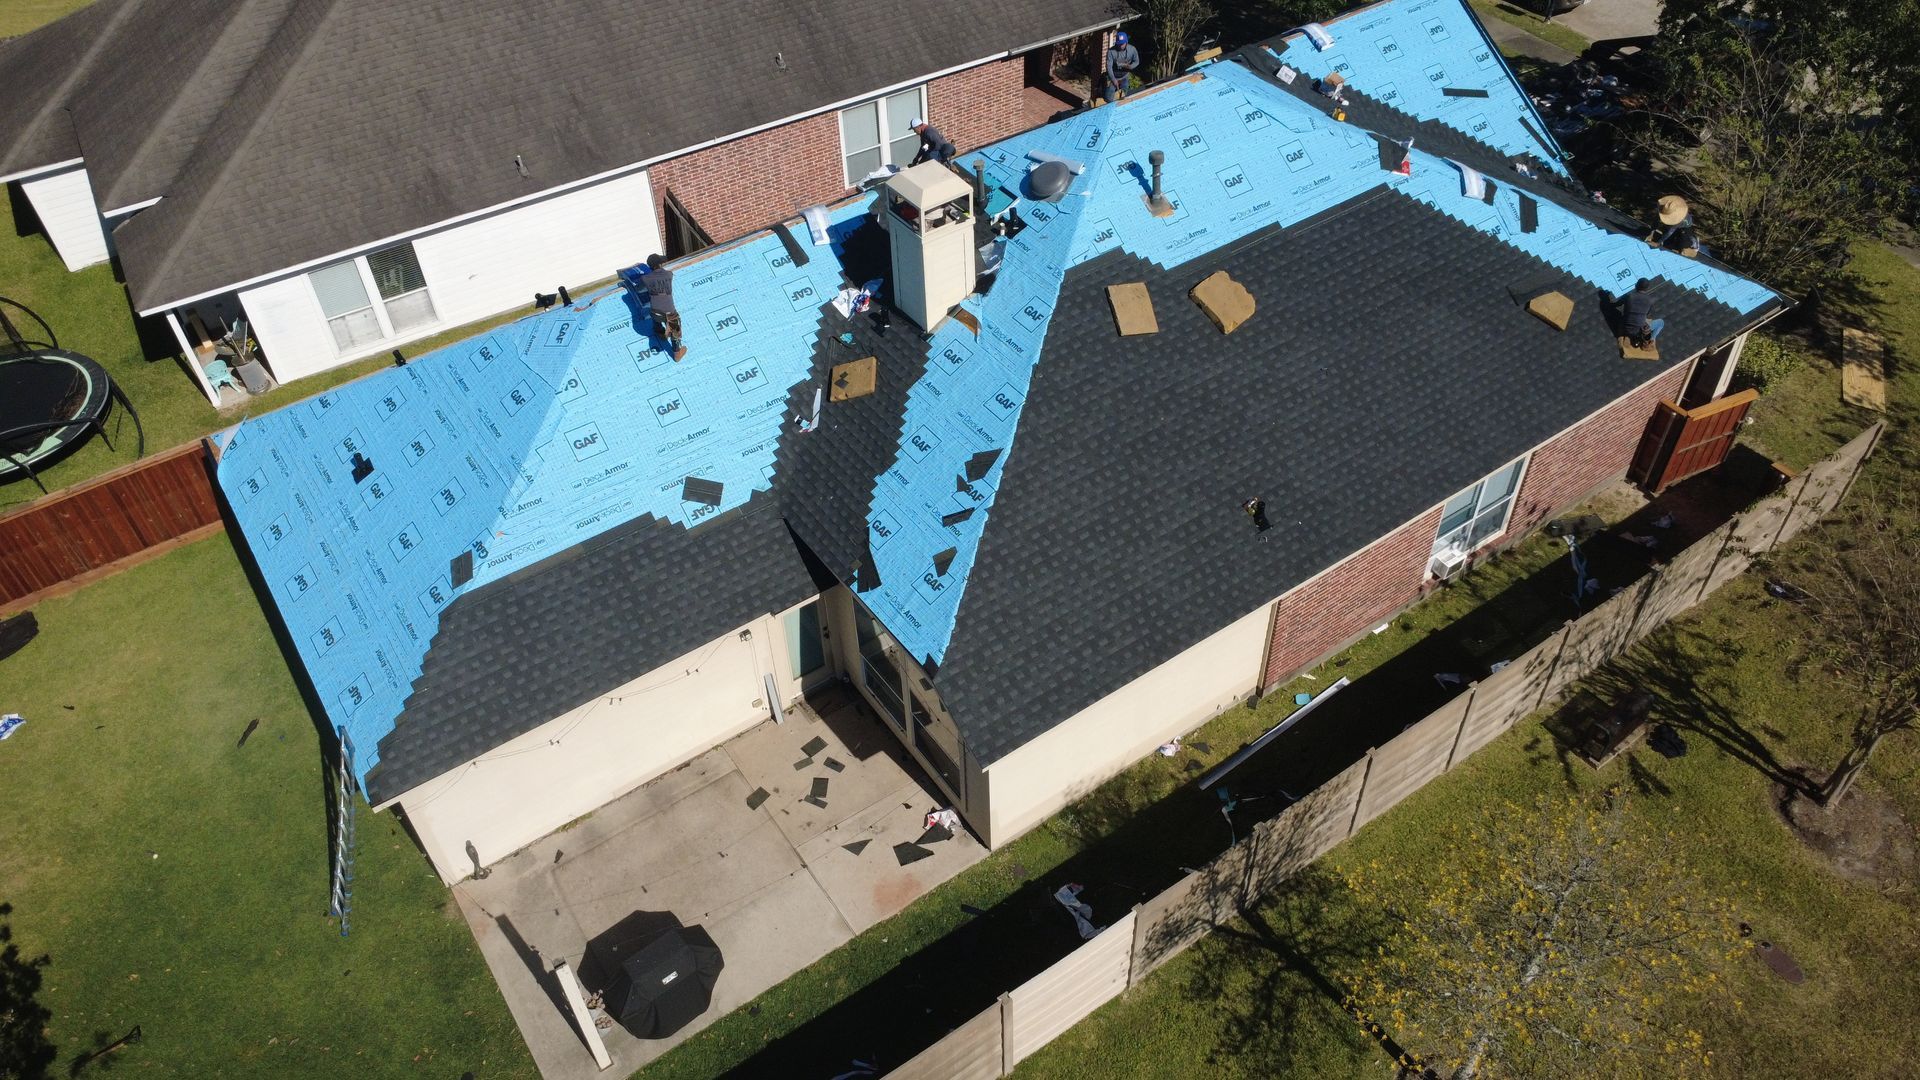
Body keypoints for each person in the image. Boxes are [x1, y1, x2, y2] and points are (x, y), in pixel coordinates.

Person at [641, 253, 687, 361]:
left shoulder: (645, 278)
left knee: (655, 312)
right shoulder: (669, 275)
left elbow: (640, 286)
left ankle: (659, 332)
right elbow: (662, 275)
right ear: (661, 264)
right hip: (669, 313)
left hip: (655, 313)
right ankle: (677, 353)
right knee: (674, 328)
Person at [1621, 277, 1664, 347]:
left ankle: (1628, 336)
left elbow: (1616, 304)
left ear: (1636, 285)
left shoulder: (1628, 296)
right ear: (1647, 288)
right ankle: (1651, 340)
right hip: (1638, 330)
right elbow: (1647, 314)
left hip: (1625, 326)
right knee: (1661, 322)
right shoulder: (1649, 300)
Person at [1105, 31, 1140, 103]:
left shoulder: (1132, 50)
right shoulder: (1111, 51)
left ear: (1126, 42)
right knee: (1108, 97)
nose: (1121, 46)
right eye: (1119, 44)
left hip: (1124, 76)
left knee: (1124, 95)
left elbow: (1136, 61)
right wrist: (1113, 79)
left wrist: (1130, 67)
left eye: (1122, 44)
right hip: (1114, 76)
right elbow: (1109, 67)